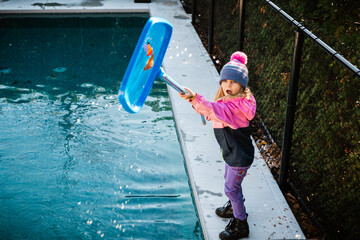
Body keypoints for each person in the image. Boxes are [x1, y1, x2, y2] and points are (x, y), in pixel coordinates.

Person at [179, 52, 256, 240]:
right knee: (231, 184)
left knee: (231, 188)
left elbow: (216, 110)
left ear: (242, 85)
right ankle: (235, 205)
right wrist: (197, 103)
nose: (228, 85)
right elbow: (216, 111)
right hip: (233, 153)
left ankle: (241, 223)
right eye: (225, 81)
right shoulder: (232, 101)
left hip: (239, 156)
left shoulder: (236, 107)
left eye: (234, 82)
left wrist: (195, 98)